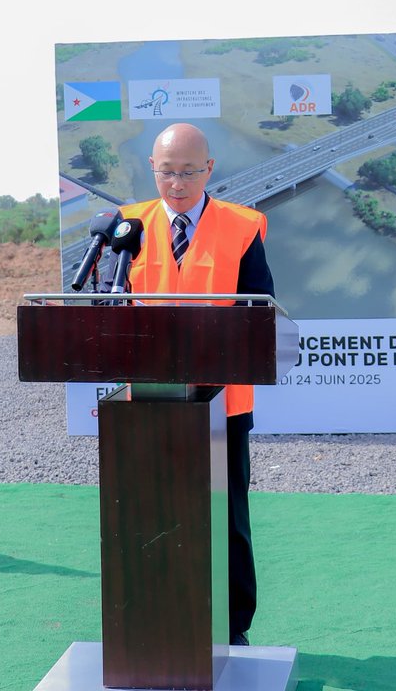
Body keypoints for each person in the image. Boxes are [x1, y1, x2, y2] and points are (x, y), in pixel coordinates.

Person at [119, 122, 274, 647]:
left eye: (188, 172)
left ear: (209, 170)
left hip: (221, 403)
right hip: (148, 401)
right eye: (167, 172)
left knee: (224, 518)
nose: (177, 183)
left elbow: (261, 313)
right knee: (149, 512)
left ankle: (232, 628)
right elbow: (109, 316)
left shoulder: (244, 226)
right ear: (152, 169)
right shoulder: (126, 226)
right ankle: (155, 622)